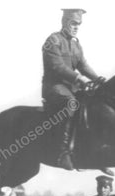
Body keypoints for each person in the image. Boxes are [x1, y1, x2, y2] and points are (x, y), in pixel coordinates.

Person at [42, 8, 104, 170]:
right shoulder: (53, 40)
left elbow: (83, 65)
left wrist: (97, 78)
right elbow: (57, 66)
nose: (76, 27)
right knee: (71, 103)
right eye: (73, 23)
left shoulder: (76, 45)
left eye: (79, 24)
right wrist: (78, 78)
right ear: (65, 22)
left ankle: (89, 152)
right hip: (54, 87)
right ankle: (63, 153)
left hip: (71, 87)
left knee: (92, 103)